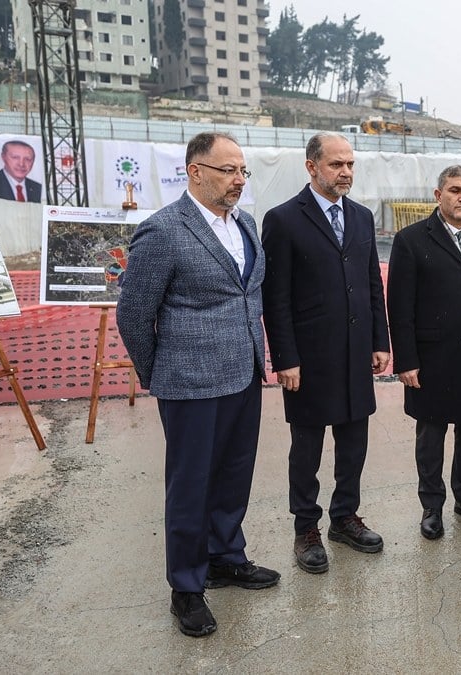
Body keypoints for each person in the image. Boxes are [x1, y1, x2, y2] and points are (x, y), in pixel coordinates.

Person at [116, 131, 276, 638]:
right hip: (189, 382)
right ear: (195, 170)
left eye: (243, 171)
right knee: (190, 487)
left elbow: (248, 296)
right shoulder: (162, 230)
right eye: (228, 170)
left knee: (233, 475)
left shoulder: (245, 224)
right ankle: (186, 587)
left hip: (244, 375)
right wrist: (158, 372)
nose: (238, 180)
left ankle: (226, 557)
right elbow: (134, 314)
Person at [261, 132, 390, 572]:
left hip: (356, 353)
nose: (346, 172)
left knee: (353, 443)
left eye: (350, 164)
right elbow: (275, 298)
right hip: (309, 359)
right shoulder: (283, 220)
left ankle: (344, 518)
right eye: (336, 164)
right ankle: (306, 528)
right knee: (308, 449)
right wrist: (286, 359)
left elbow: (373, 283)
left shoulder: (360, 217)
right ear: (311, 166)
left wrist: (380, 341)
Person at [387, 165, 461, 540]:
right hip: (432, 356)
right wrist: (405, 360)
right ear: (438, 195)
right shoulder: (411, 240)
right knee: (431, 435)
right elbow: (400, 306)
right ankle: (432, 506)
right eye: (455, 190)